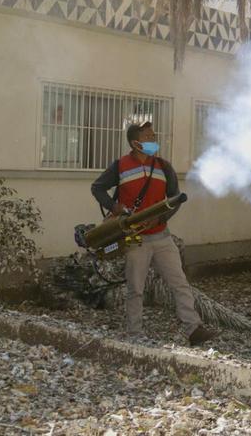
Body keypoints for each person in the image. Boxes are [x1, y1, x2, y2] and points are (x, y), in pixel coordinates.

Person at [91, 121, 217, 346]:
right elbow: (97, 188)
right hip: (135, 238)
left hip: (162, 236)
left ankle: (193, 329)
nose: (153, 140)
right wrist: (114, 206)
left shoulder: (163, 166)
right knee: (135, 288)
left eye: (153, 135)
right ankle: (135, 333)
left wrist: (160, 218)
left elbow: (175, 199)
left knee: (179, 283)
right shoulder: (120, 166)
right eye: (148, 137)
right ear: (135, 143)